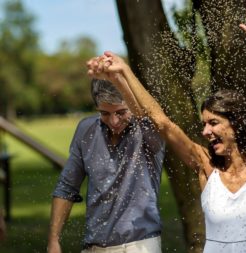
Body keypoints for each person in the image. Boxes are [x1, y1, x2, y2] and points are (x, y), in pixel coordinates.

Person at [87, 4, 246, 253]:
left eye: (214, 123)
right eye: (204, 124)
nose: (205, 132)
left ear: (237, 124)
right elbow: (162, 123)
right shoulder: (206, 167)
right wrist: (125, 72)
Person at [47, 79, 165, 253]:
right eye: (104, 113)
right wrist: (54, 240)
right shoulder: (86, 130)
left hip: (140, 244)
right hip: (95, 244)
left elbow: (157, 120)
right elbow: (66, 187)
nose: (114, 121)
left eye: (121, 112)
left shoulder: (147, 129)